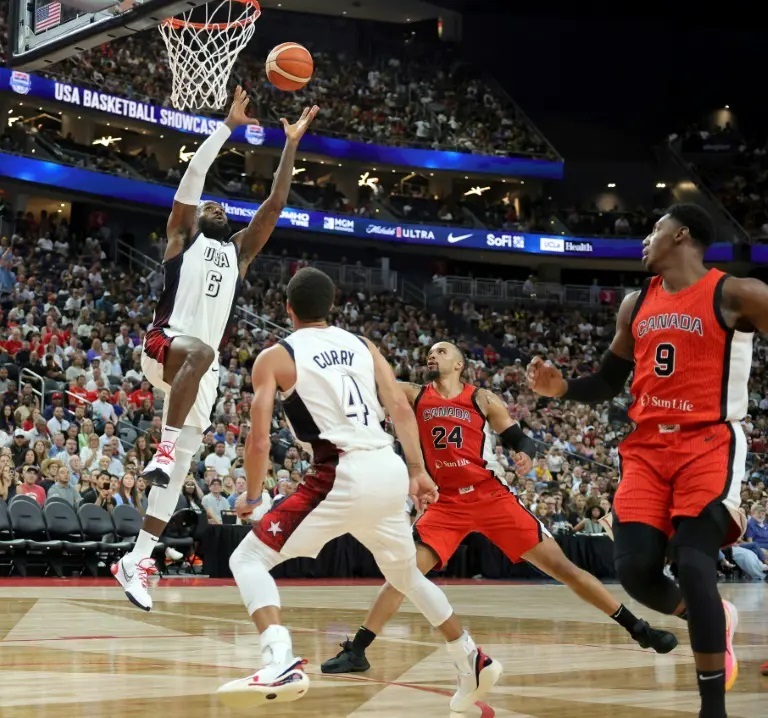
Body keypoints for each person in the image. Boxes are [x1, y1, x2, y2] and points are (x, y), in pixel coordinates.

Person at [216, 268, 502, 711]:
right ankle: (470, 658)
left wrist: (253, 497)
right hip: (388, 468)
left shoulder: (275, 357)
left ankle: (279, 659)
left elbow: (258, 441)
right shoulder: (363, 345)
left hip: (340, 472)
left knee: (248, 558)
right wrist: (417, 470)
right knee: (406, 575)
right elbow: (400, 408)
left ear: (288, 309)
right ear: (332, 307)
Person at [526, 203, 765, 718]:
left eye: (654, 229)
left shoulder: (738, 294)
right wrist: (561, 388)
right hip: (647, 448)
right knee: (635, 571)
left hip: (708, 442)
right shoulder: (636, 303)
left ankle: (712, 708)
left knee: (694, 564)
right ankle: (711, 618)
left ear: (681, 235)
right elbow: (607, 381)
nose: (645, 239)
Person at [322, 341, 676, 676]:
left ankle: (638, 628)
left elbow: (518, 437)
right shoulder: (414, 393)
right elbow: (371, 383)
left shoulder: (482, 398)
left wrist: (524, 453)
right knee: (403, 573)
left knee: (563, 568)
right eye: (429, 352)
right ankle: (358, 651)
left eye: (441, 352)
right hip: (446, 502)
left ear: (459, 364)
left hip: (490, 495)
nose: (432, 356)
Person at [111, 87, 320, 611]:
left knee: (179, 471)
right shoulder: (182, 237)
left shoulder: (239, 252)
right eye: (210, 204)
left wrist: (291, 144)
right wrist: (227, 127)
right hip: (164, 346)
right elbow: (193, 178)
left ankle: (136, 559)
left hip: (198, 374)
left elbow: (274, 205)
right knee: (201, 356)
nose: (216, 205)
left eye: (222, 205)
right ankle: (162, 449)